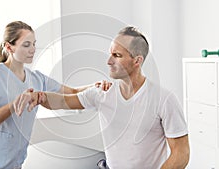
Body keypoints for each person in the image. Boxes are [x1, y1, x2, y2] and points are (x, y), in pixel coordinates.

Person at [20, 26, 190, 169]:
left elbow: (181, 153)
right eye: (110, 54)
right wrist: (39, 97)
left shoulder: (164, 99)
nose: (108, 61)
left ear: (137, 61)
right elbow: (63, 101)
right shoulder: (102, 93)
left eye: (117, 55)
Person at [0, 21, 111, 169]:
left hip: (14, 162)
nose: (33, 49)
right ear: (9, 47)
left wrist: (96, 86)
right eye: (26, 45)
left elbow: (73, 92)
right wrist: (14, 104)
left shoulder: (36, 78)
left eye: (34, 44)